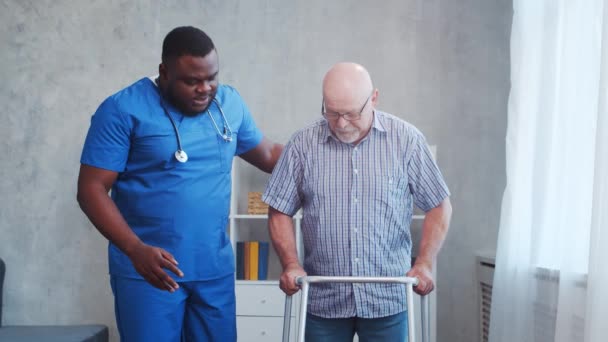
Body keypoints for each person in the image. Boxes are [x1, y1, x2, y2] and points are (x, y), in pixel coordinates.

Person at [77, 26, 282, 342]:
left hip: (213, 268)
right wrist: (134, 249)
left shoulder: (229, 103)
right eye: (192, 81)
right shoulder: (122, 110)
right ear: (164, 72)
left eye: (212, 77)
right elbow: (91, 189)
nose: (205, 88)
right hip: (150, 270)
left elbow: (269, 154)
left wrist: (324, 154)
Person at [262, 62, 452, 342]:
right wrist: (290, 263)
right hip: (324, 300)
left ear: (373, 98)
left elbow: (439, 204)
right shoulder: (302, 144)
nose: (340, 123)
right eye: (332, 112)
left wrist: (424, 263)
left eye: (350, 114)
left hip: (387, 300)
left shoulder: (407, 141)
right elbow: (279, 209)